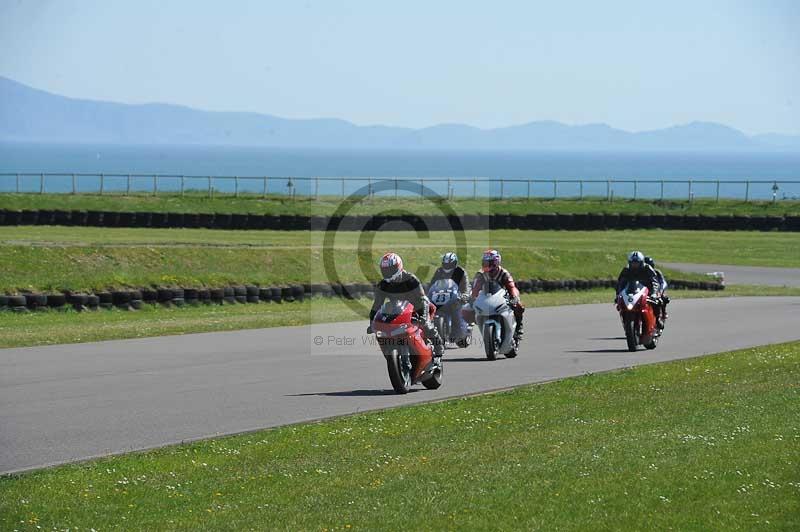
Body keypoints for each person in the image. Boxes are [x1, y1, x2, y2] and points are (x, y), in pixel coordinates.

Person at [368, 252, 444, 364]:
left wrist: (422, 316)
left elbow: (421, 299)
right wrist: (372, 323)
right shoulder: (383, 285)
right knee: (384, 331)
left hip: (418, 307)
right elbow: (377, 305)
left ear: (398, 267)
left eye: (390, 269)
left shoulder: (411, 279)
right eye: (385, 270)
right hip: (399, 309)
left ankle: (438, 350)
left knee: (427, 325)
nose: (387, 273)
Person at [470, 249, 524, 339]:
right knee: (468, 308)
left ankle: (518, 327)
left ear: (496, 262)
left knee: (519, 305)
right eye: (485, 262)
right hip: (486, 296)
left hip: (503, 296)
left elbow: (511, 287)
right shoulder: (481, 274)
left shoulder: (504, 273)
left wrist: (514, 297)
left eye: (490, 262)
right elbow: (476, 288)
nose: (487, 265)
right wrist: (472, 298)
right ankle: (469, 330)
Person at [429, 252, 470, 339]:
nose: (447, 266)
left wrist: (464, 295)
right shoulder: (439, 271)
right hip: (441, 297)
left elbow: (466, 286)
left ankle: (460, 331)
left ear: (454, 264)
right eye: (445, 264)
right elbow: (432, 284)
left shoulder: (460, 272)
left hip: (456, 298)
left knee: (456, 310)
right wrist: (428, 292)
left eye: (449, 264)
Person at [644, 255, 669, 329]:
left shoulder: (657, 272)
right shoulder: (641, 274)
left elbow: (663, 282)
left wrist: (660, 291)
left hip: (656, 291)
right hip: (645, 292)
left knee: (663, 298)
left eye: (650, 265)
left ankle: (662, 314)